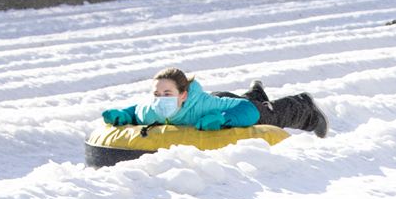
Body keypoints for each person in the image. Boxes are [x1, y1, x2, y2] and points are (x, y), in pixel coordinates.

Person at [101, 68, 327, 138]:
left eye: (167, 93)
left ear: (183, 95)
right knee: (248, 102)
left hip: (224, 108)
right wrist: (123, 115)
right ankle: (255, 91)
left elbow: (246, 111)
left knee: (269, 115)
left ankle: (306, 107)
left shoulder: (202, 106)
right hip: (220, 100)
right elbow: (137, 112)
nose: (161, 100)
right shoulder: (155, 109)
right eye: (156, 94)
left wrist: (222, 119)